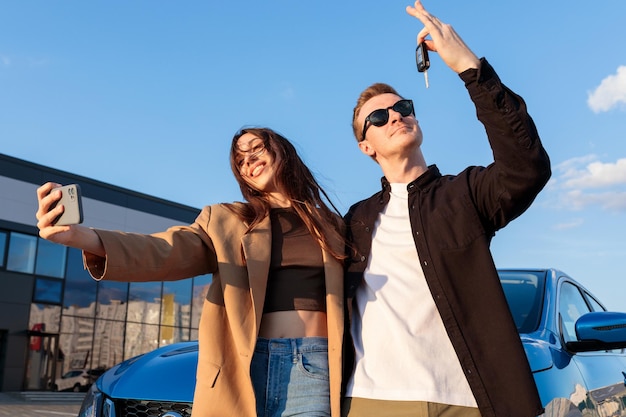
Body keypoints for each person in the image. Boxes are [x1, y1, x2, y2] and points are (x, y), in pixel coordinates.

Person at [36, 127, 346, 417]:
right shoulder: (226, 219)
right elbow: (166, 250)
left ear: (284, 152)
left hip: (311, 365)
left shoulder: (331, 226)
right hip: (242, 369)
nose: (249, 161)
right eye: (240, 160)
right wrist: (81, 237)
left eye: (257, 149)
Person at [342, 2, 551, 417]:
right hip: (374, 400)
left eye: (403, 108)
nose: (395, 117)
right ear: (366, 146)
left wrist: (470, 68)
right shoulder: (355, 221)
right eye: (379, 117)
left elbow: (527, 167)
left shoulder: (465, 194)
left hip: (468, 400)